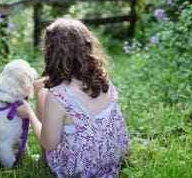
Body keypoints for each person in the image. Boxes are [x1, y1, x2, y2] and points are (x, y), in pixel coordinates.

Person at [16, 18, 130, 178]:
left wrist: (30, 114)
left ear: (51, 52)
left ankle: (44, 161)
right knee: (47, 93)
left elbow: (49, 144)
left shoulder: (58, 95)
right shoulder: (104, 81)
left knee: (42, 92)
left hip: (78, 170)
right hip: (112, 158)